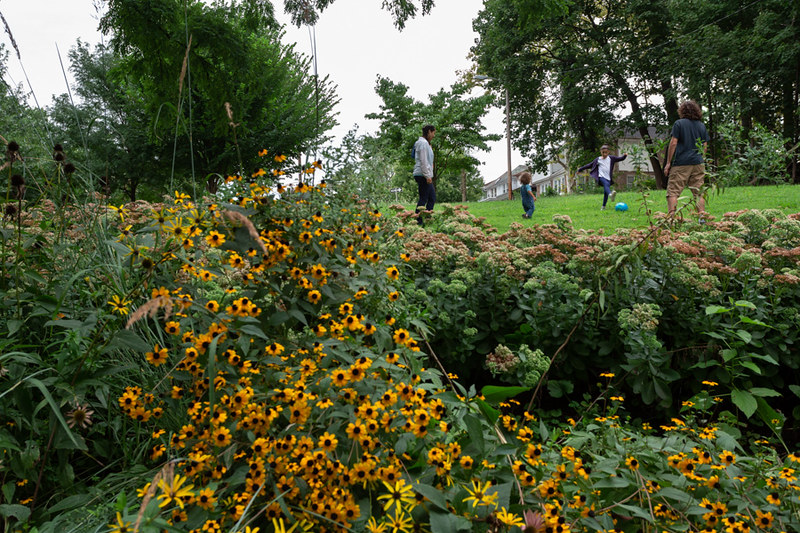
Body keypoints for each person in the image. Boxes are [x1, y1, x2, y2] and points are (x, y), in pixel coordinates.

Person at [664, 100, 709, 218]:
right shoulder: (701, 125)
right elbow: (704, 145)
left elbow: (673, 143)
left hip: (681, 163)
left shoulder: (679, 124)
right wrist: (701, 159)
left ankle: (672, 219)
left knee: (673, 191)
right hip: (698, 162)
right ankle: (702, 218)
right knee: (699, 192)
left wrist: (668, 162)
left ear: (682, 111)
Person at [577, 145, 627, 210]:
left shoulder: (611, 158)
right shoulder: (598, 160)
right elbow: (589, 165)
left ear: (608, 152)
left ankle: (603, 206)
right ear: (601, 152)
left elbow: (620, 159)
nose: (604, 154)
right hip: (601, 177)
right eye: (603, 152)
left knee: (605, 191)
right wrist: (580, 169)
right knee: (606, 185)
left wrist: (625, 155)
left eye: (606, 152)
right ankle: (610, 195)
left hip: (608, 178)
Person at [413, 125, 436, 225]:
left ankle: (425, 219)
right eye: (433, 133)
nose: (434, 135)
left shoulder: (425, 143)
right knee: (423, 198)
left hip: (424, 174)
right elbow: (423, 160)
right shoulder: (422, 143)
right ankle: (417, 221)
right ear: (429, 132)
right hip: (422, 174)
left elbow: (428, 160)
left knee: (431, 198)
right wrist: (427, 176)